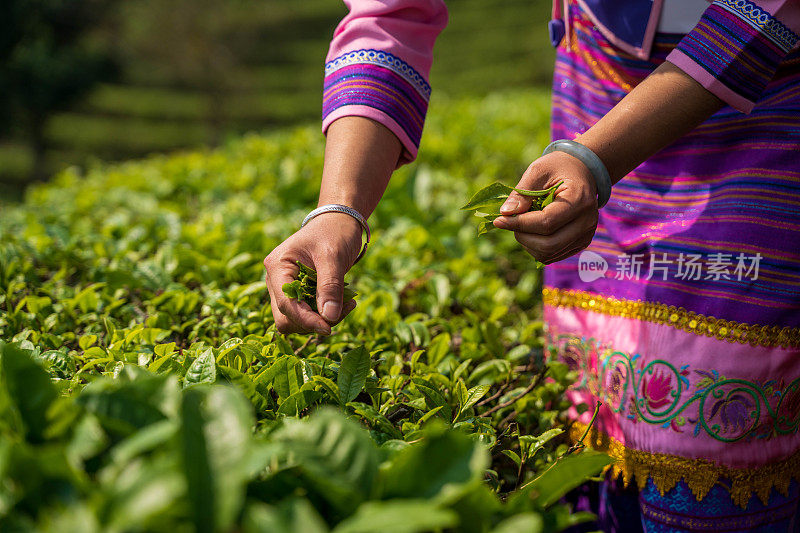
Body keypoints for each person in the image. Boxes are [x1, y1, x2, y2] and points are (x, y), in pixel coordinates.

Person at [263, 0, 800, 530]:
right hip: (601, 80)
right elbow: (389, 15)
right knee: (600, 385)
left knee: (721, 392)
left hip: (769, 86)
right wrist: (338, 210)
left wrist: (595, 159)